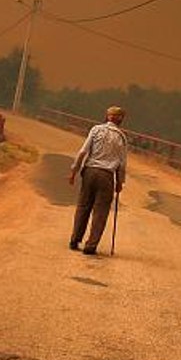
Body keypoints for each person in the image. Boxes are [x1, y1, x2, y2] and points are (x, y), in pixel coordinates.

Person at [68, 105, 128, 255]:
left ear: (107, 116)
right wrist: (120, 182)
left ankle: (75, 240)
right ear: (121, 119)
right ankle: (91, 245)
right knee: (100, 211)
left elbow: (83, 151)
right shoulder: (121, 137)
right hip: (107, 176)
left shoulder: (96, 130)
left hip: (89, 172)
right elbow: (122, 164)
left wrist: (74, 171)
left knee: (83, 206)